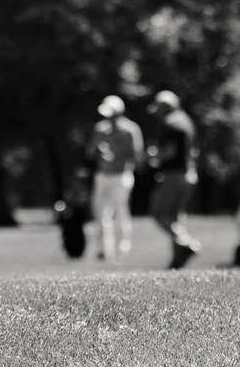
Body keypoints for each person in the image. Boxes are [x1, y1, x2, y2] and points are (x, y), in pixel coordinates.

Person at [86, 95, 144, 263]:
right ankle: (103, 250)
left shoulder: (130, 130)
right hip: (102, 175)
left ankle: (121, 250)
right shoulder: (100, 129)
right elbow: (90, 152)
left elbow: (136, 157)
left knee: (121, 213)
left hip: (121, 175)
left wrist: (116, 155)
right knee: (100, 214)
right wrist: (98, 147)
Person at [148, 90, 201, 270]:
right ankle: (177, 261)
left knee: (159, 213)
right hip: (189, 174)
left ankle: (186, 243)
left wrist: (154, 158)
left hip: (174, 175)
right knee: (175, 217)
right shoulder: (187, 121)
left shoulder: (169, 123)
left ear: (165, 108)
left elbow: (169, 151)